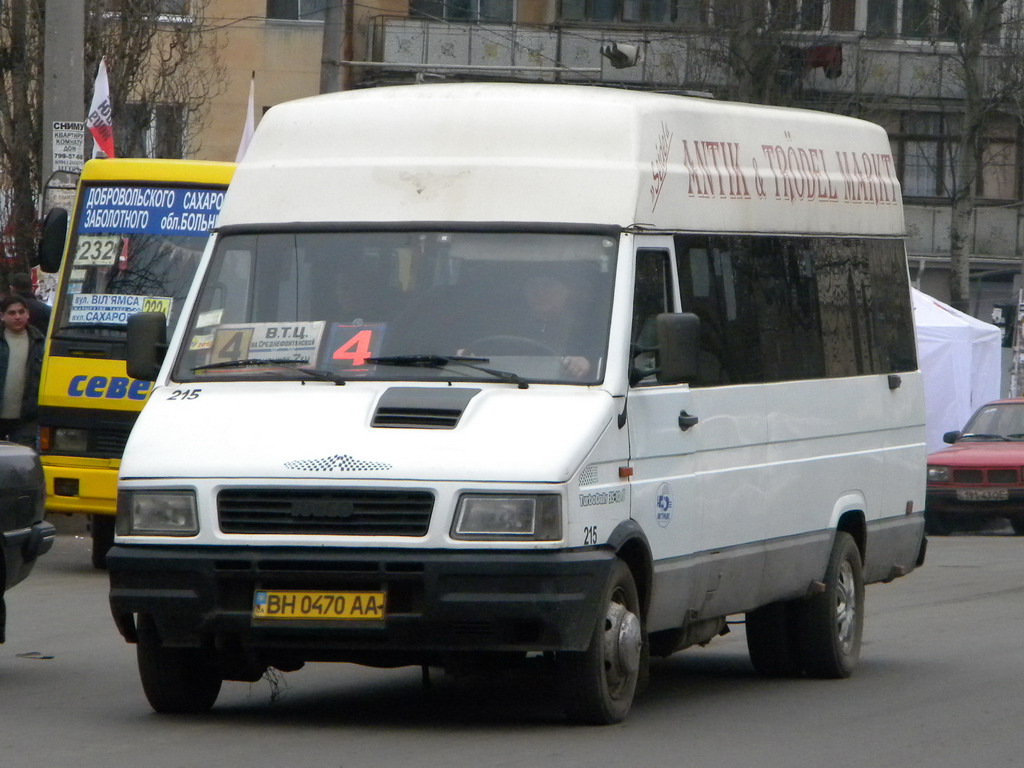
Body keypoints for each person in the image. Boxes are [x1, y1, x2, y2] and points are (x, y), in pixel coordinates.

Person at [0, 296, 45, 447]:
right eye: (12, 313)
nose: (17, 317)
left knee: (21, 465)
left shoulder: (39, 342)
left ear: (28, 314)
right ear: (2, 316)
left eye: (21, 312)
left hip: (26, 419)